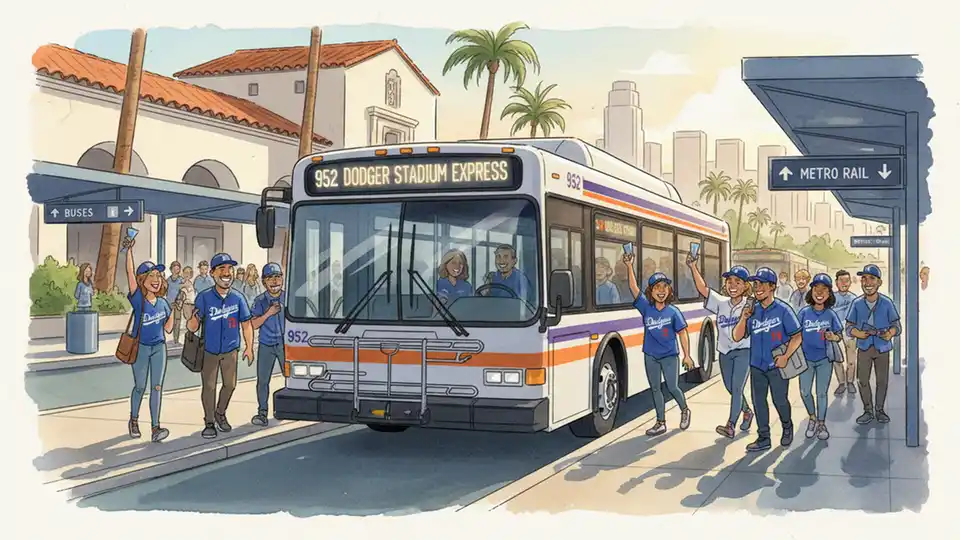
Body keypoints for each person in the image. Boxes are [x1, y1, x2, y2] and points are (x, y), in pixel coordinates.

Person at [622, 252, 693, 436]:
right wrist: (629, 266)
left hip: (670, 355)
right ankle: (660, 422)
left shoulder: (673, 312)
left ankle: (684, 409)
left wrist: (686, 355)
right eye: (657, 287)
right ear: (651, 292)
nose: (661, 290)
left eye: (664, 287)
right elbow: (633, 287)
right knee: (655, 388)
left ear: (669, 290)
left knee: (672, 387)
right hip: (650, 355)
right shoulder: (646, 307)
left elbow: (683, 333)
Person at [733, 267, 802, 452]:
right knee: (759, 402)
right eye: (755, 284)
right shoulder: (751, 310)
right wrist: (743, 318)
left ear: (772, 287)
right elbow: (737, 336)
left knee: (780, 400)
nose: (758, 288)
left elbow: (797, 336)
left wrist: (786, 357)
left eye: (762, 284)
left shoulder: (783, 309)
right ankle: (764, 437)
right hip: (757, 365)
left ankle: (787, 427)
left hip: (777, 366)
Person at [186, 253, 255, 439]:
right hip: (209, 350)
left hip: (231, 350)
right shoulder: (204, 297)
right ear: (213, 273)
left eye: (229, 269)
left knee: (230, 385)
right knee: (209, 387)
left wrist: (249, 347)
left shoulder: (238, 298)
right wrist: (193, 318)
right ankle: (209, 422)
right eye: (222, 269)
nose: (226, 273)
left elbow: (246, 324)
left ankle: (220, 413)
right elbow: (192, 327)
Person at [687, 257, 754, 438]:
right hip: (725, 351)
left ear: (745, 285)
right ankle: (747, 411)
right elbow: (703, 289)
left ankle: (730, 425)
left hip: (744, 350)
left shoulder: (750, 304)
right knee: (730, 387)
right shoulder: (721, 303)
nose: (732, 285)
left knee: (737, 388)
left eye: (737, 282)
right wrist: (693, 266)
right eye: (729, 281)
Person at [121, 237, 174, 443]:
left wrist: (175, 313)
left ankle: (155, 427)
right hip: (141, 348)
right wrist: (129, 252)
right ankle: (134, 420)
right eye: (151, 275)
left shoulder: (162, 302)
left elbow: (168, 329)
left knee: (157, 387)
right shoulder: (138, 299)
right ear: (142, 279)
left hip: (159, 348)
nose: (156, 279)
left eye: (158, 276)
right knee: (140, 387)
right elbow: (129, 274)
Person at [845, 264, 901, 425]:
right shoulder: (856, 304)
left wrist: (890, 333)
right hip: (864, 347)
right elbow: (848, 327)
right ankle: (868, 410)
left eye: (871, 278)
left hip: (882, 347)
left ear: (879, 283)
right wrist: (858, 333)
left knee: (882, 381)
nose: (867, 282)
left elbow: (897, 326)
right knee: (862, 380)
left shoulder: (887, 303)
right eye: (864, 279)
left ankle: (880, 410)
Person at [797, 273, 844, 441]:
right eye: (816, 288)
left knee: (821, 393)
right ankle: (812, 417)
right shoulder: (803, 313)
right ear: (811, 291)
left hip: (824, 359)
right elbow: (795, 334)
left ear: (829, 293)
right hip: (806, 359)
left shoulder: (830, 314)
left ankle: (821, 423)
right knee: (804, 392)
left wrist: (834, 337)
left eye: (824, 289)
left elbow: (839, 335)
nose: (819, 292)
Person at [250, 263, 285, 426]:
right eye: (270, 278)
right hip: (266, 344)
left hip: (286, 344)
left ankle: (291, 409)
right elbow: (254, 324)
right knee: (263, 380)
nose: (274, 281)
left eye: (277, 277)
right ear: (264, 282)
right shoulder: (260, 301)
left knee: (291, 377)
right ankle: (262, 412)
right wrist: (268, 313)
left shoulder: (289, 297)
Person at [831, 270, 859, 396]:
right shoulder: (831, 298)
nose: (844, 283)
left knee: (851, 360)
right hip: (835, 331)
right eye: (841, 280)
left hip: (849, 331)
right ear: (836, 282)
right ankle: (841, 383)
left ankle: (850, 382)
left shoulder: (854, 298)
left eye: (846, 280)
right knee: (837, 359)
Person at [166, 261, 184, 344]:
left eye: (178, 269)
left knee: (177, 321)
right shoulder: (168, 280)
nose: (176, 270)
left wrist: (181, 300)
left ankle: (176, 340)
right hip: (169, 303)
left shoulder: (181, 280)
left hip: (178, 304)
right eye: (174, 269)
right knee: (169, 321)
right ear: (171, 269)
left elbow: (184, 292)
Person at [177, 266, 197, 335]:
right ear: (183, 273)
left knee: (191, 318)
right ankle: (189, 334)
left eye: (189, 273)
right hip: (187, 303)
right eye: (185, 272)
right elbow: (181, 289)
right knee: (188, 318)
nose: (187, 274)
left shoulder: (190, 283)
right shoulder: (183, 283)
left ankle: (190, 333)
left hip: (192, 303)